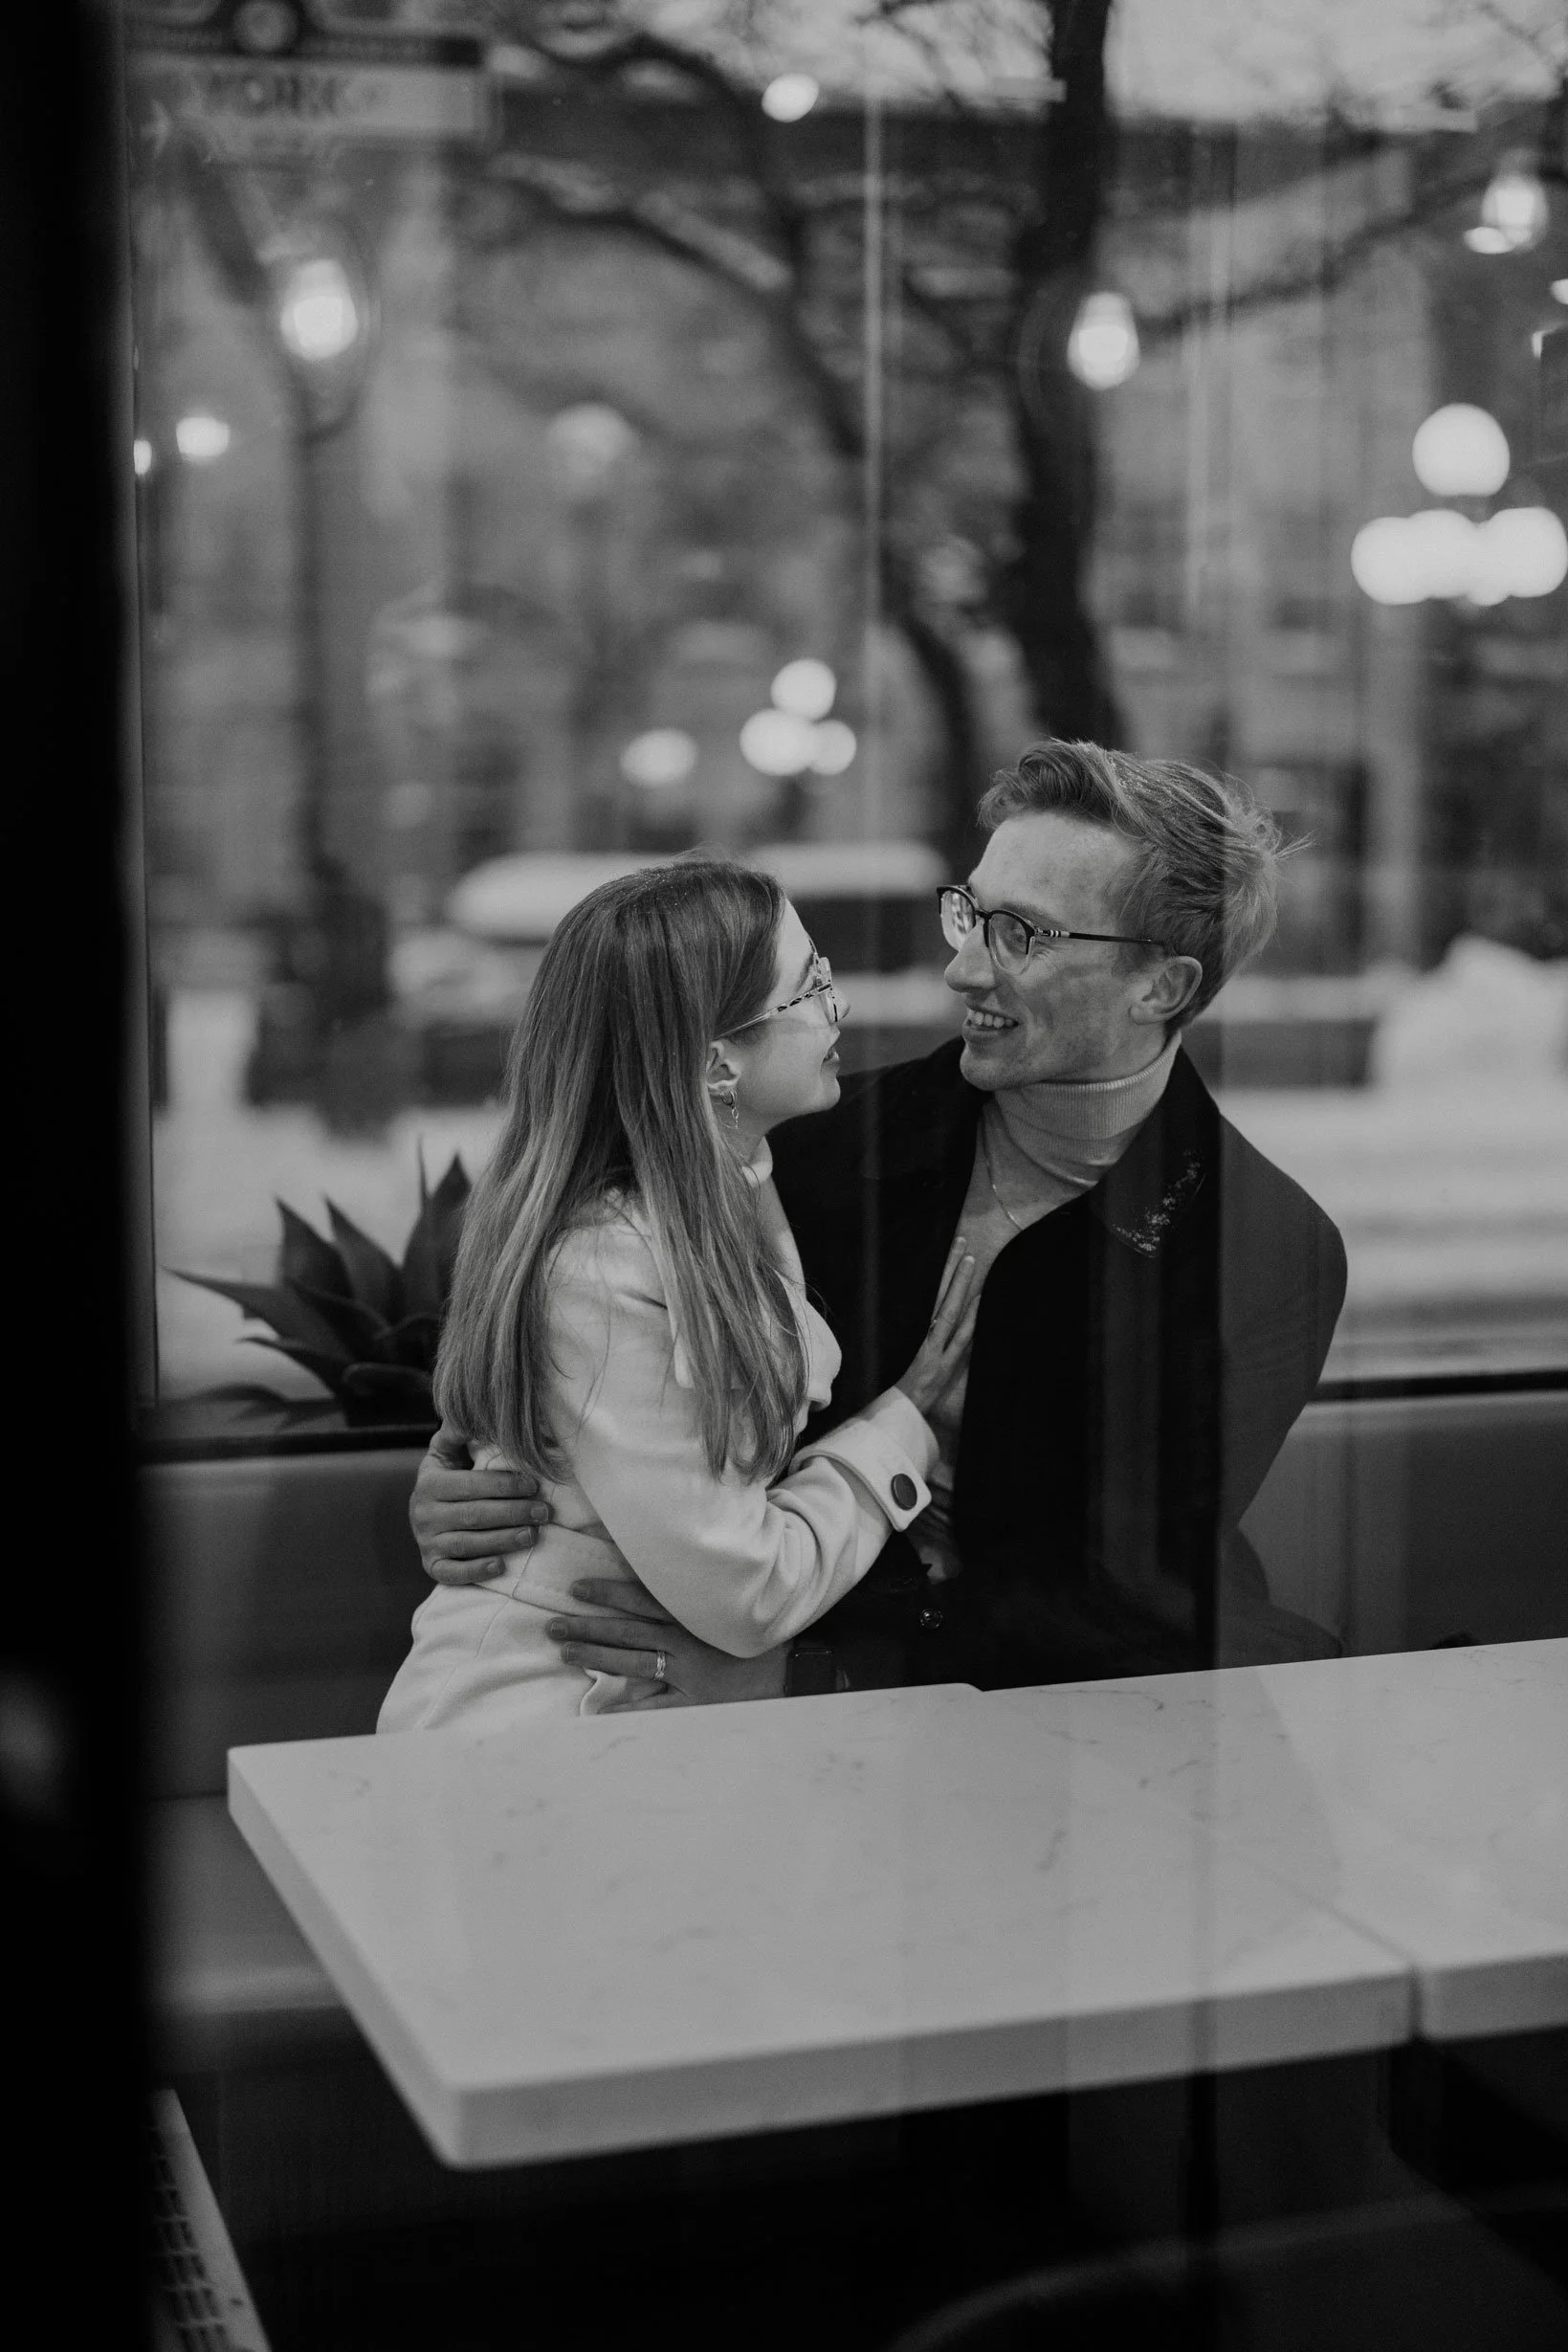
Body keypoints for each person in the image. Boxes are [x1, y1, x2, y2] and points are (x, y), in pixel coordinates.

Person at [409, 742, 1347, 1699]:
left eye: (1021, 935)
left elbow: (1122, 1597)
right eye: (969, 912)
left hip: (1065, 1723)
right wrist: (484, 1471)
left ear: (1162, 987)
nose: (960, 968)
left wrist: (814, 1672)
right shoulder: (808, 1141)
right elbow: (585, 1313)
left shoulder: (1266, 1250)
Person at [378, 857, 978, 1732]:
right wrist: (905, 1426)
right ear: (713, 1061)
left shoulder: (734, 1184)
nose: (839, 1006)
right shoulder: (604, 1265)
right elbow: (748, 1592)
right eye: (810, 986)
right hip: (537, 1728)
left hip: (643, 1720)